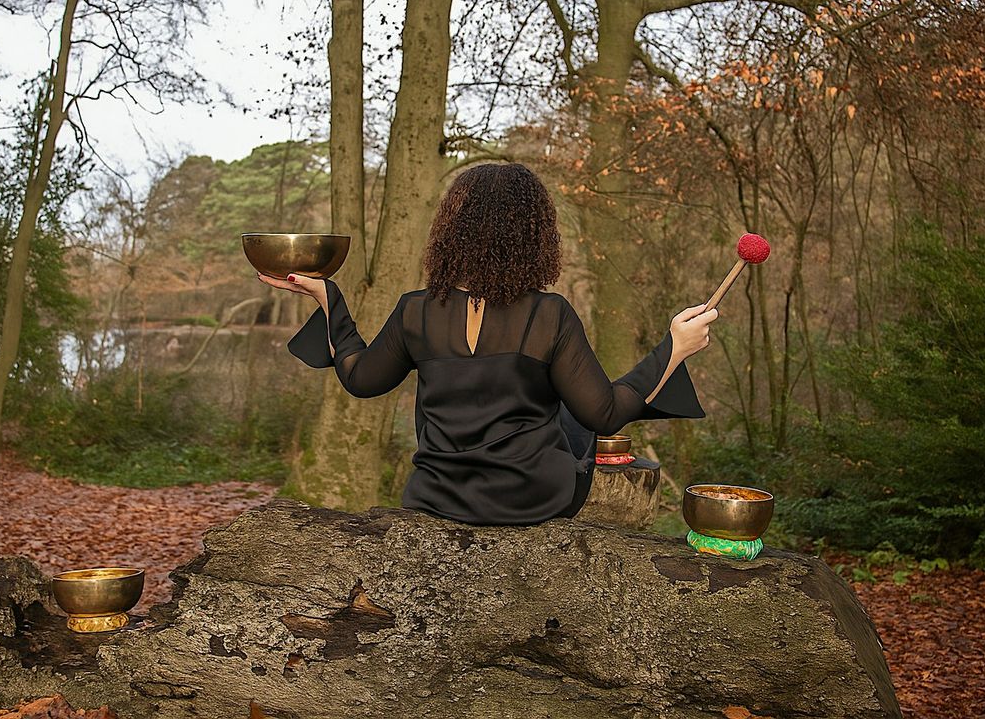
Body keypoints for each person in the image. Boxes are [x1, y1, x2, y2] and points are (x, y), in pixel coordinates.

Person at [258, 162, 717, 526]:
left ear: (452, 232)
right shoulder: (548, 313)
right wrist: (674, 348)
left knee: (560, 402)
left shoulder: (416, 310)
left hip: (439, 495)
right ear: (533, 236)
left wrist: (328, 298)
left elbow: (360, 378)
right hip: (532, 497)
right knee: (572, 412)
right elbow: (605, 414)